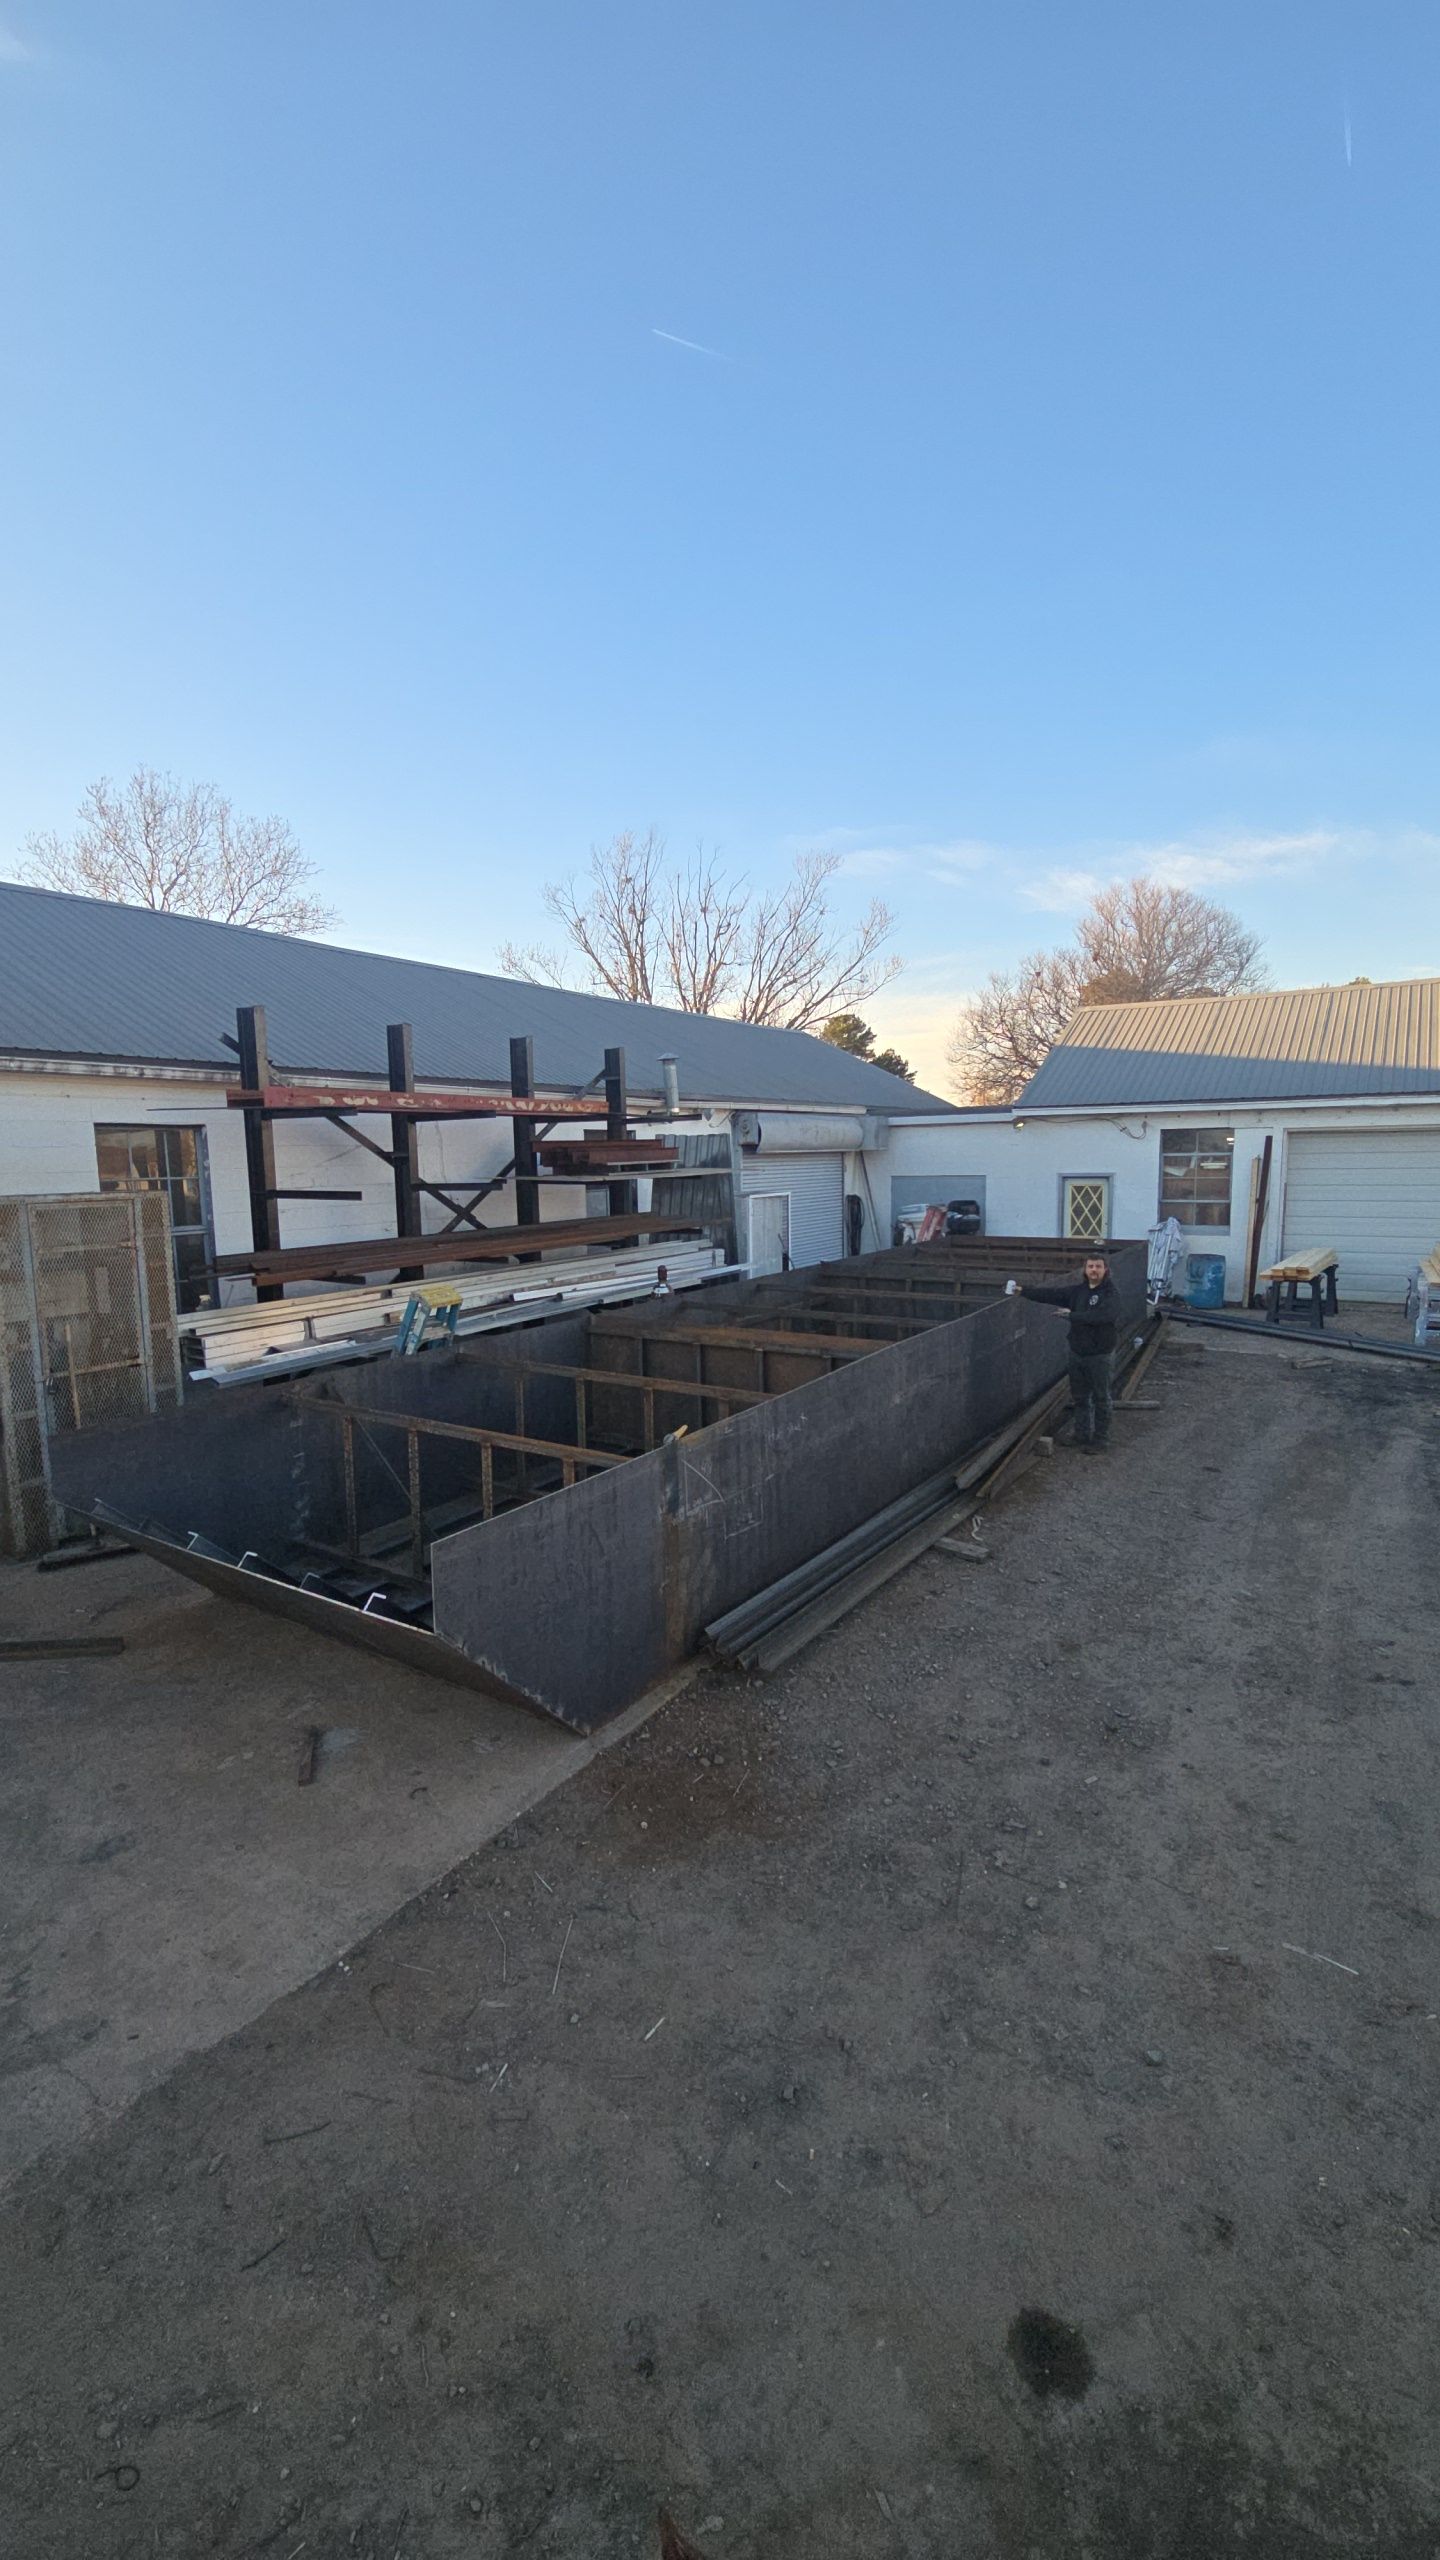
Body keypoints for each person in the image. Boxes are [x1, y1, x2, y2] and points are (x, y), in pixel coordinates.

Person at [1009, 1254, 1119, 1453]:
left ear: (1105, 1270)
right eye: (1091, 1266)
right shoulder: (1078, 1291)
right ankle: (1082, 1434)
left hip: (1100, 1355)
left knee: (1101, 1398)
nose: (1094, 1270)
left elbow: (1105, 1316)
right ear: (1085, 1270)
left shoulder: (1110, 1293)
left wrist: (1072, 1316)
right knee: (1080, 1397)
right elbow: (1051, 1294)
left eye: (1098, 1267)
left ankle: (1101, 1440)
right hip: (1077, 1353)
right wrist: (1022, 1291)